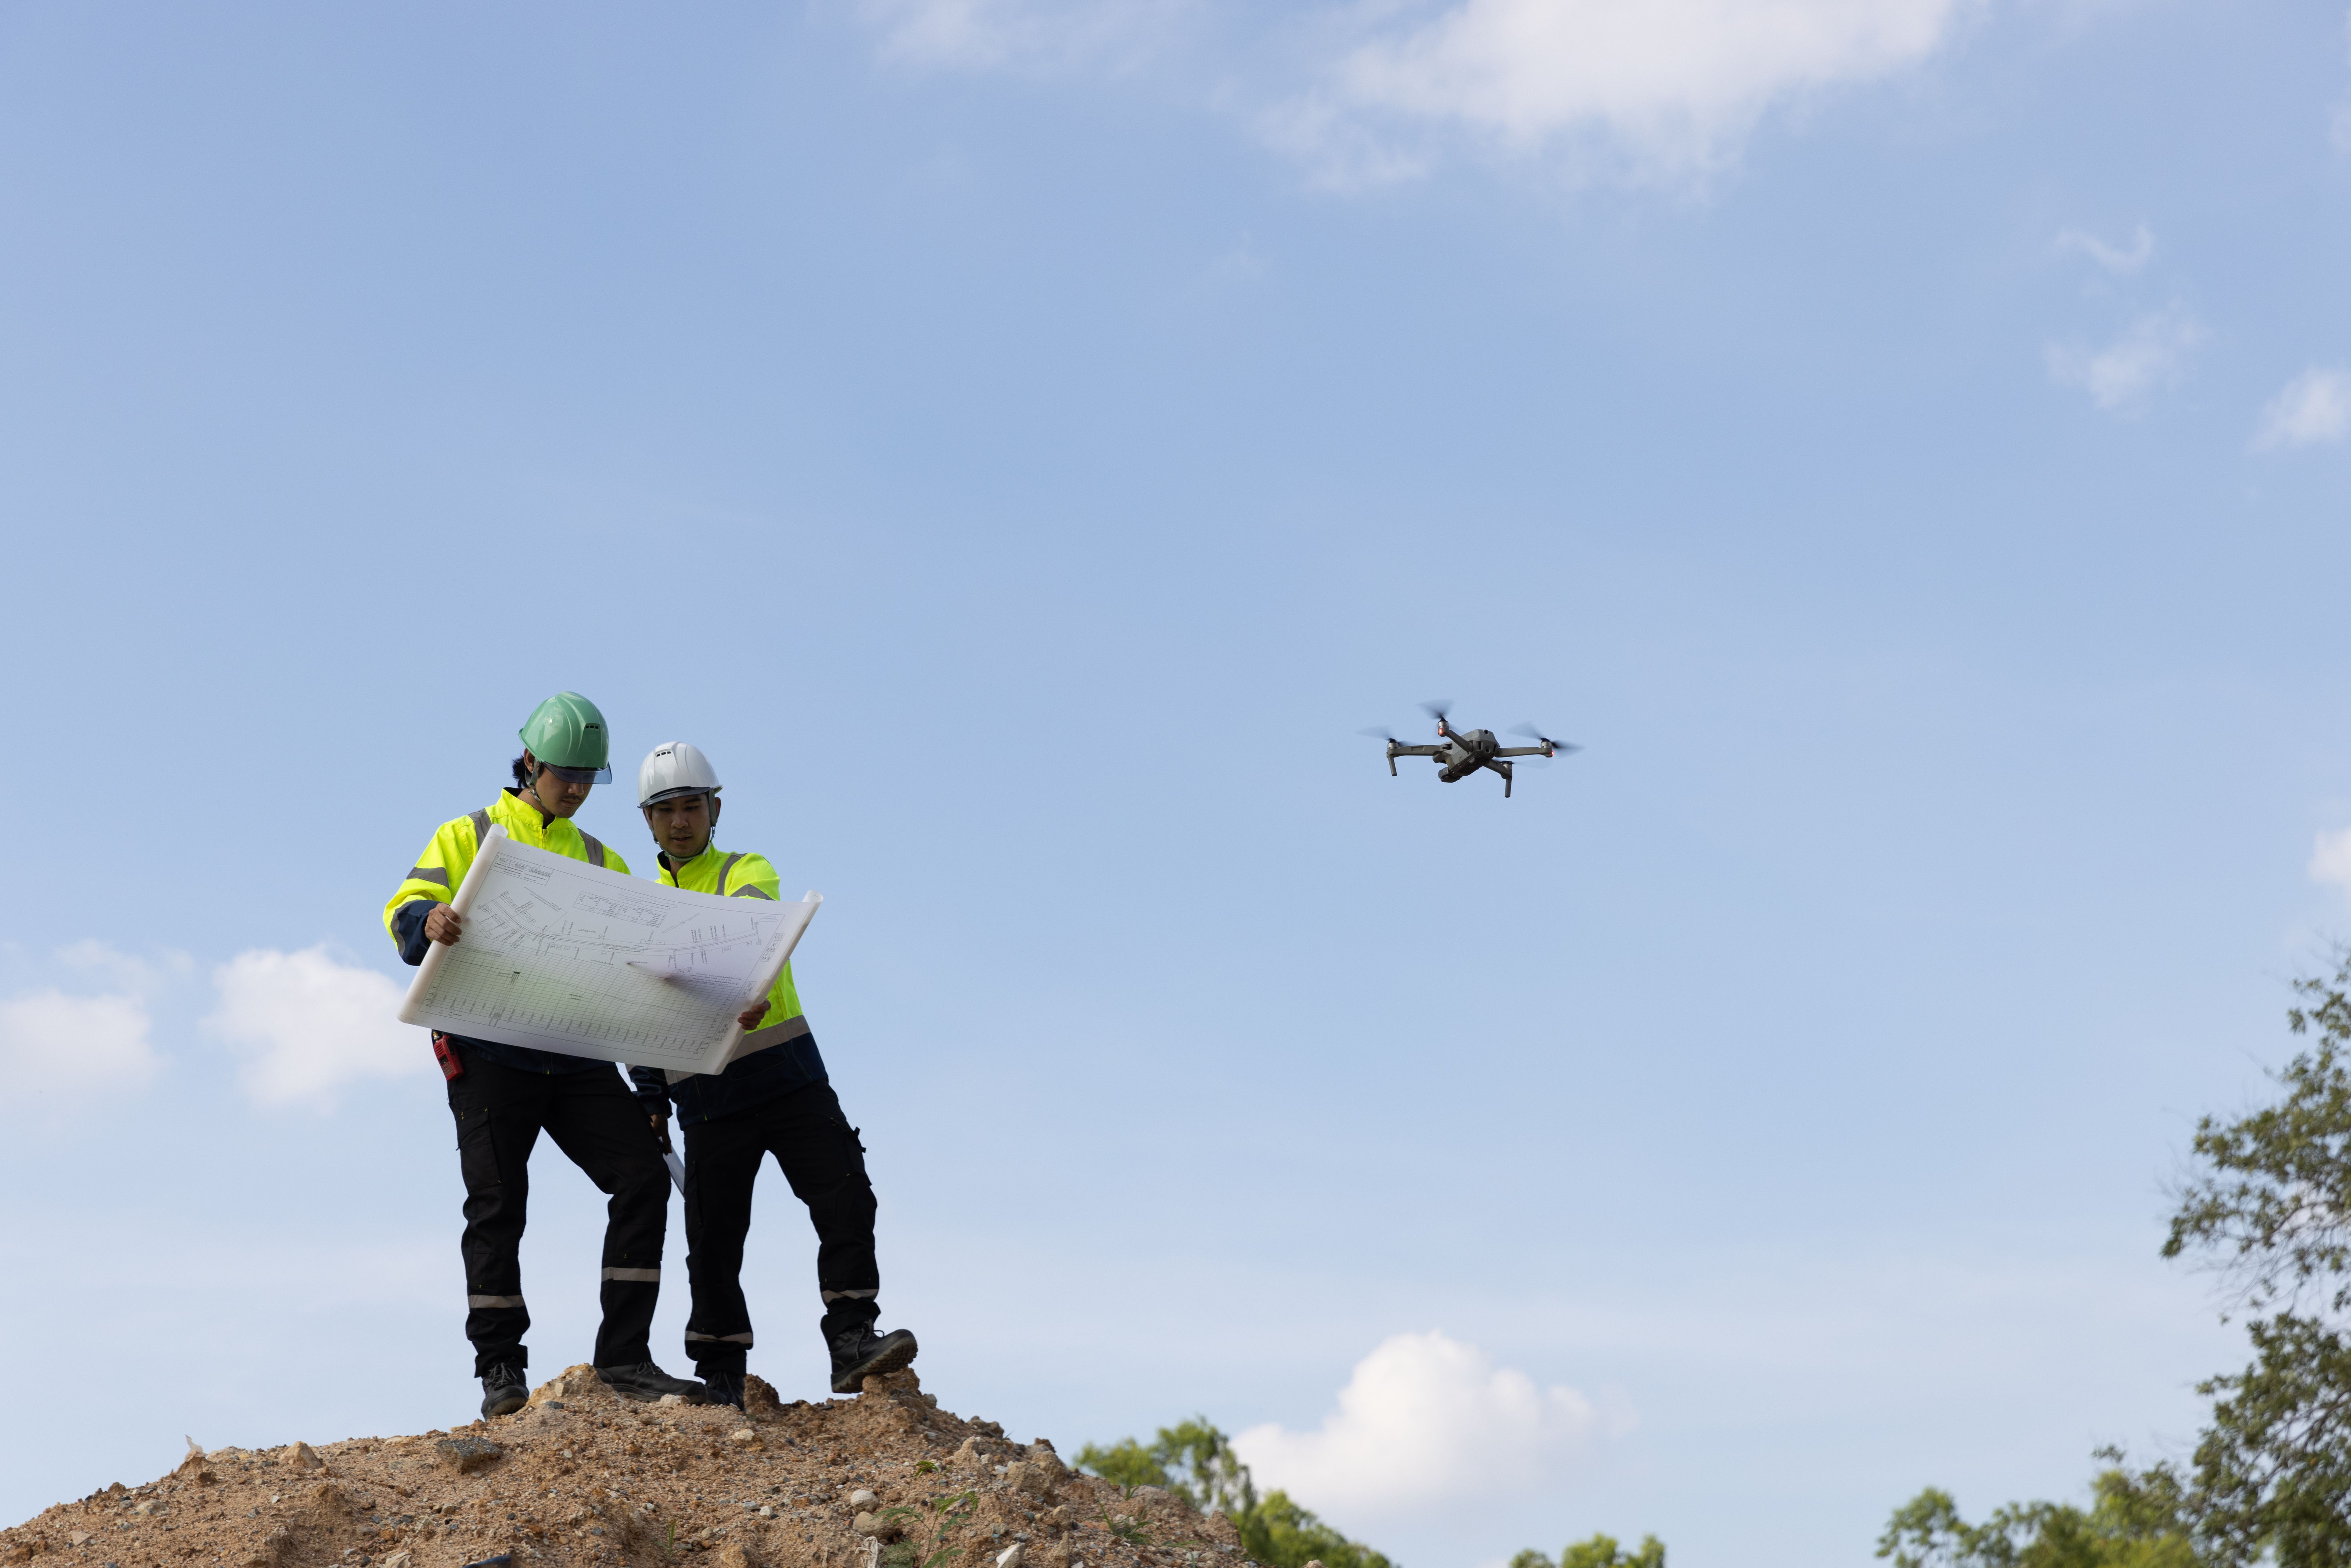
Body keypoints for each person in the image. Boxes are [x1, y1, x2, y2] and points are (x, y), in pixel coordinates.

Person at [383, 693, 709, 1419]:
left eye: (591, 778)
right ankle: (501, 1369)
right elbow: (407, 907)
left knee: (640, 1179)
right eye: (567, 774)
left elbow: (632, 980)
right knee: (498, 1206)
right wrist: (426, 922)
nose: (578, 789)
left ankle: (625, 1359)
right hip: (488, 1048)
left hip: (576, 1052)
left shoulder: (601, 858)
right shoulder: (470, 833)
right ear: (531, 762)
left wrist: (650, 1095)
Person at [625, 741, 918, 1408]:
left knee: (845, 1196)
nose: (679, 821)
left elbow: (752, 931)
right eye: (665, 810)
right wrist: (649, 1096)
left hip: (787, 1075)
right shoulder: (639, 905)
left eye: (691, 806)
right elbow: (634, 1009)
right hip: (702, 1093)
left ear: (715, 808)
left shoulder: (745, 868)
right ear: (647, 821)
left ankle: (852, 1341)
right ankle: (721, 1374)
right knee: (714, 1241)